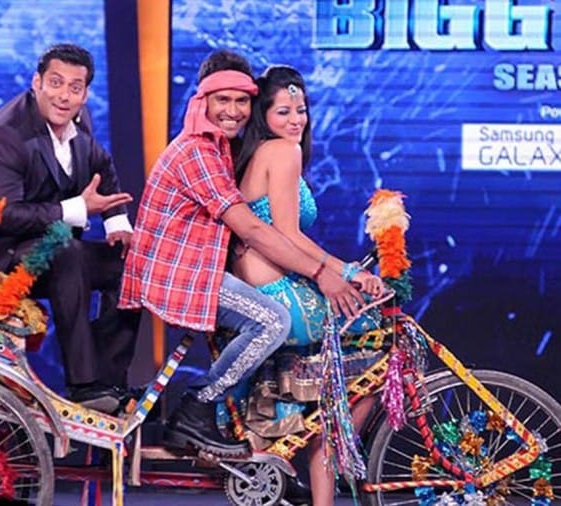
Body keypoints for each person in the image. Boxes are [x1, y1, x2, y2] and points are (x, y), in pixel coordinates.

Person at [119, 49, 379, 458]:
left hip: (202, 269)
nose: (233, 110)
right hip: (182, 275)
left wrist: (337, 271)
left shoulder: (224, 147)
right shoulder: (200, 151)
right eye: (223, 100)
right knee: (274, 321)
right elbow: (256, 230)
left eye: (242, 100)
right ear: (203, 100)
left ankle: (282, 450)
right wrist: (330, 273)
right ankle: (199, 406)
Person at [0, 43, 140, 413]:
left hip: (50, 250)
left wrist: (117, 224)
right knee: (66, 252)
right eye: (55, 83)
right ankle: (84, 386)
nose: (64, 96)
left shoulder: (78, 121)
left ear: (85, 94)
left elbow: (100, 165)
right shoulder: (3, 135)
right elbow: (3, 215)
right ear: (36, 82)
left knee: (130, 264)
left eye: (75, 87)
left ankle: (109, 381)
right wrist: (77, 209)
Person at [232, 65, 384, 506]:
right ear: (263, 116)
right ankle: (331, 443)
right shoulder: (282, 151)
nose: (296, 119)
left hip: (267, 291)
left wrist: (344, 272)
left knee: (335, 389)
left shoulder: (260, 152)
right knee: (381, 345)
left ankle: (321, 455)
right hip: (279, 298)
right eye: (284, 111)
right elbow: (288, 235)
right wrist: (347, 273)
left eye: (301, 110)